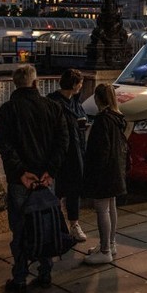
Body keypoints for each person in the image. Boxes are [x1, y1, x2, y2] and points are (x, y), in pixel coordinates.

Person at [0, 65, 69, 293]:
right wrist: (50, 171)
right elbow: (62, 141)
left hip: (21, 181)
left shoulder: (7, 110)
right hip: (45, 179)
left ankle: (19, 276)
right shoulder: (52, 108)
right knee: (46, 224)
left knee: (19, 228)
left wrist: (20, 172)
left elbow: (4, 145)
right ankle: (45, 272)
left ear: (15, 84)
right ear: (36, 83)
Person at [81, 84, 128, 265]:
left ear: (98, 99)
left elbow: (101, 150)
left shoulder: (102, 120)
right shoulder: (117, 118)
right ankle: (110, 243)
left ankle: (105, 250)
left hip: (104, 172)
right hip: (115, 169)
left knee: (102, 210)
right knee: (111, 207)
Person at [46, 68, 89, 243]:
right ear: (74, 85)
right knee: (59, 191)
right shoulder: (56, 104)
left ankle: (71, 224)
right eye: (80, 83)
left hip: (75, 151)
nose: (81, 86)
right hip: (62, 153)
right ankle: (61, 225)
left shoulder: (72, 102)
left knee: (72, 190)